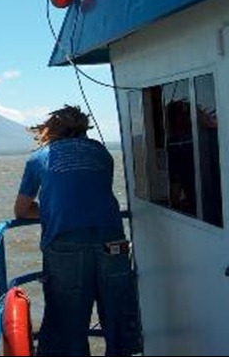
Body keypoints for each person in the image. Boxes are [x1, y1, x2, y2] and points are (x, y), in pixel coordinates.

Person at [13, 105, 142, 356]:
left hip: (65, 243)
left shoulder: (39, 158)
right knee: (118, 312)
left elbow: (21, 209)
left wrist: (49, 211)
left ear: (51, 129)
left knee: (66, 318)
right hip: (112, 240)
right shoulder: (102, 153)